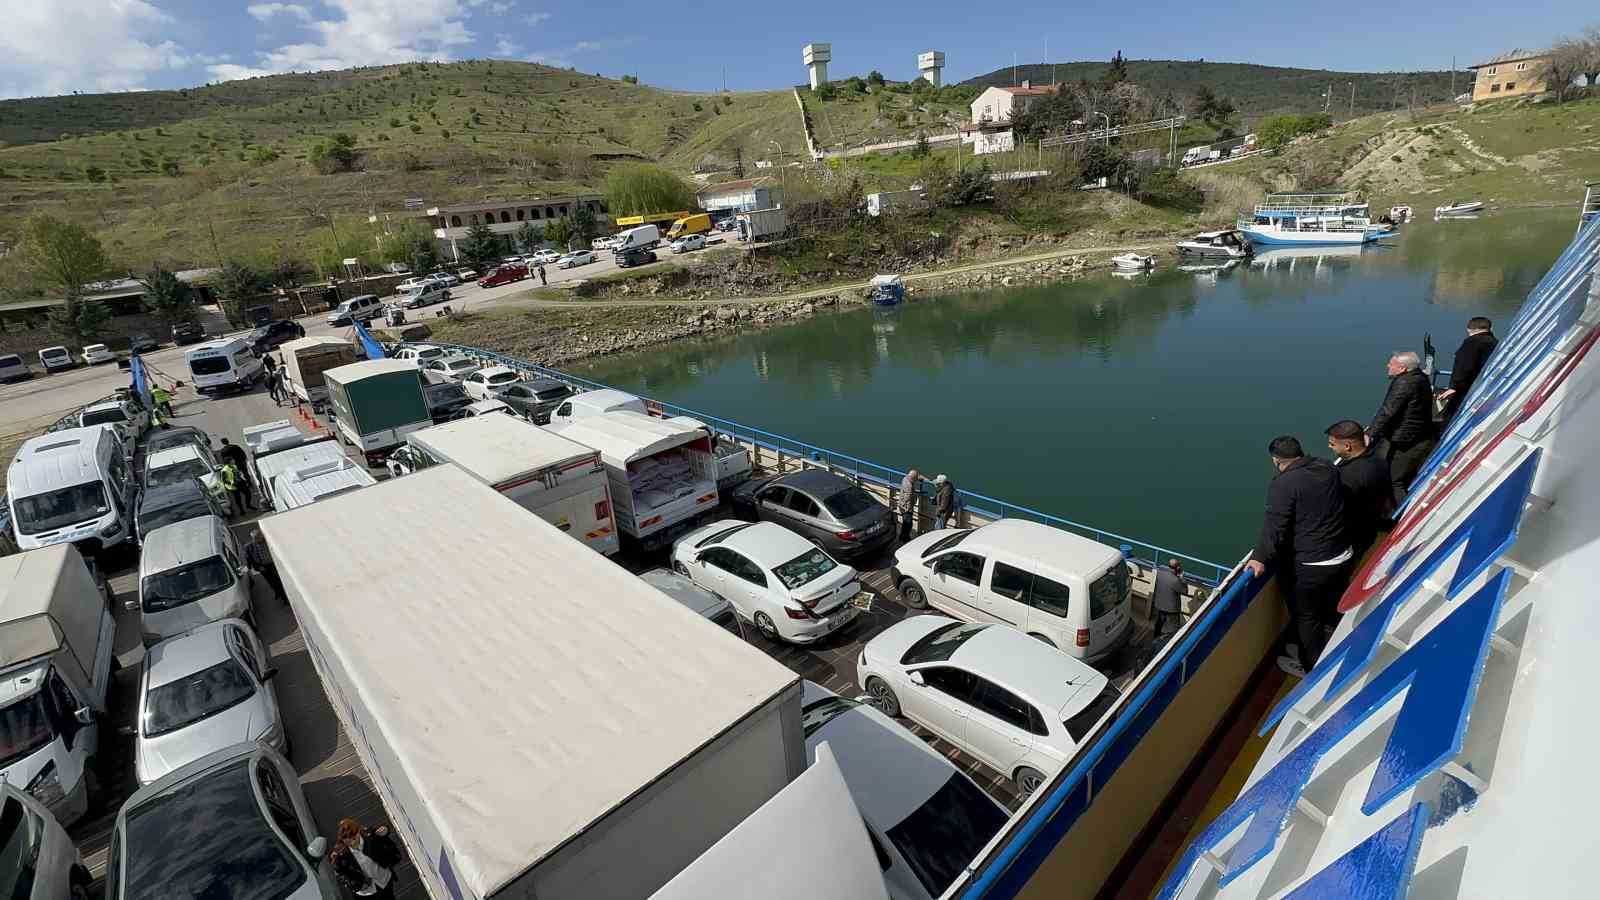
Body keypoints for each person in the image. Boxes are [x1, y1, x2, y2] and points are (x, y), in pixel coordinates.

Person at [1245, 436, 1351, 678]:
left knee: (1306, 617)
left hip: (1313, 562)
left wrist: (1260, 557)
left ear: (1276, 460)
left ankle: (1311, 668)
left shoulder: (1284, 483)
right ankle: (1331, 639)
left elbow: (1275, 525)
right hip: (1342, 553)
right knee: (1328, 605)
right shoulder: (1327, 466)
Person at [1366, 351, 1436, 505]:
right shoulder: (1420, 377)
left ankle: (1402, 517)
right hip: (1421, 434)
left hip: (1407, 440)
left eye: (1392, 364)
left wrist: (1370, 433)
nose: (1388, 366)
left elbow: (1388, 410)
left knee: (1394, 481)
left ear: (1403, 368)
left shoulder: (1404, 383)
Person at [1325, 419, 1394, 561]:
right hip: (1377, 519)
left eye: (1332, 444)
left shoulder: (1347, 476)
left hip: (1359, 532)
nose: (1329, 446)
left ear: (1347, 446)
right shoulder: (1379, 460)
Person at [1437, 316, 1498, 424]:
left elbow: (1464, 366)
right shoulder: (1495, 342)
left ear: (1469, 329)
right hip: (1484, 386)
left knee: (1447, 417)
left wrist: (1454, 387)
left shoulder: (1472, 342)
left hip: (1466, 388)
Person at [331, 818, 400, 899]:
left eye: (354, 838)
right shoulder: (341, 854)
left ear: (358, 832)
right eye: (348, 841)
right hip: (364, 892)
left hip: (384, 879)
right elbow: (340, 873)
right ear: (343, 840)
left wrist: (386, 829)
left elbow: (383, 829)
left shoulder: (368, 836)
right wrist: (356, 885)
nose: (353, 842)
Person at [245, 529, 287, 602]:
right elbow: (249, 558)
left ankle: (284, 597)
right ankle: (277, 592)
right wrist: (254, 567)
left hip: (272, 564)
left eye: (258, 537)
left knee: (277, 581)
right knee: (270, 581)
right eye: (254, 538)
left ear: (262, 536)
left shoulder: (269, 541)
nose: (256, 539)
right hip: (262, 567)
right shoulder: (249, 547)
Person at [216, 438, 256, 511]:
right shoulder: (235, 446)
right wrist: (244, 460)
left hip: (235, 484)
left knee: (240, 497)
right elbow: (242, 453)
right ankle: (245, 506)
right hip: (238, 470)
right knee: (245, 474)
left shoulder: (223, 451)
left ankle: (243, 509)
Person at [1151, 559, 1185, 639]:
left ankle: (1155, 638)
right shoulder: (1175, 580)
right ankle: (1171, 642)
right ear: (1178, 567)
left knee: (1159, 623)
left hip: (1159, 604)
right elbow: (1185, 591)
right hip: (1172, 609)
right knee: (1174, 628)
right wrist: (1182, 578)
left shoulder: (1160, 573)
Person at [896, 469, 923, 542]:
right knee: (908, 524)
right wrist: (908, 509)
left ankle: (902, 536)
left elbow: (915, 476)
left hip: (901, 505)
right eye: (916, 478)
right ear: (913, 478)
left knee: (905, 523)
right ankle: (905, 538)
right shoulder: (909, 486)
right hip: (906, 507)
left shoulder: (905, 478)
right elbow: (907, 498)